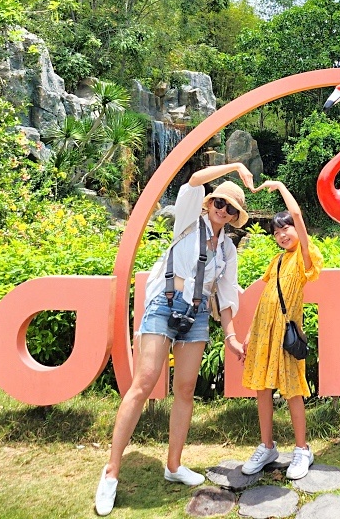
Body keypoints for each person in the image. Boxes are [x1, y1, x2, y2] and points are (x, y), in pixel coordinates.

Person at [95, 163, 253, 517]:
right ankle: (111, 473)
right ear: (210, 202)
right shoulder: (186, 220)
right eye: (219, 203)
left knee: (184, 389)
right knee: (144, 382)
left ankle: (174, 464)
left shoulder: (227, 250)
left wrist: (230, 336)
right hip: (165, 304)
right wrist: (237, 166)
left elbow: (224, 297)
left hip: (196, 315)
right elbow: (195, 179)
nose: (223, 211)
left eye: (230, 209)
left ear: (234, 216)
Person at [239, 180, 323, 481]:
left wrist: (280, 186)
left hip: (286, 337)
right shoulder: (276, 261)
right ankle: (267, 447)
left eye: (285, 228)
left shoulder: (305, 255)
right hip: (264, 334)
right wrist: (249, 336)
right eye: (276, 232)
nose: (281, 234)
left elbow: (298, 217)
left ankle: (302, 450)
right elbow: (265, 301)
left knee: (292, 391)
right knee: (262, 389)